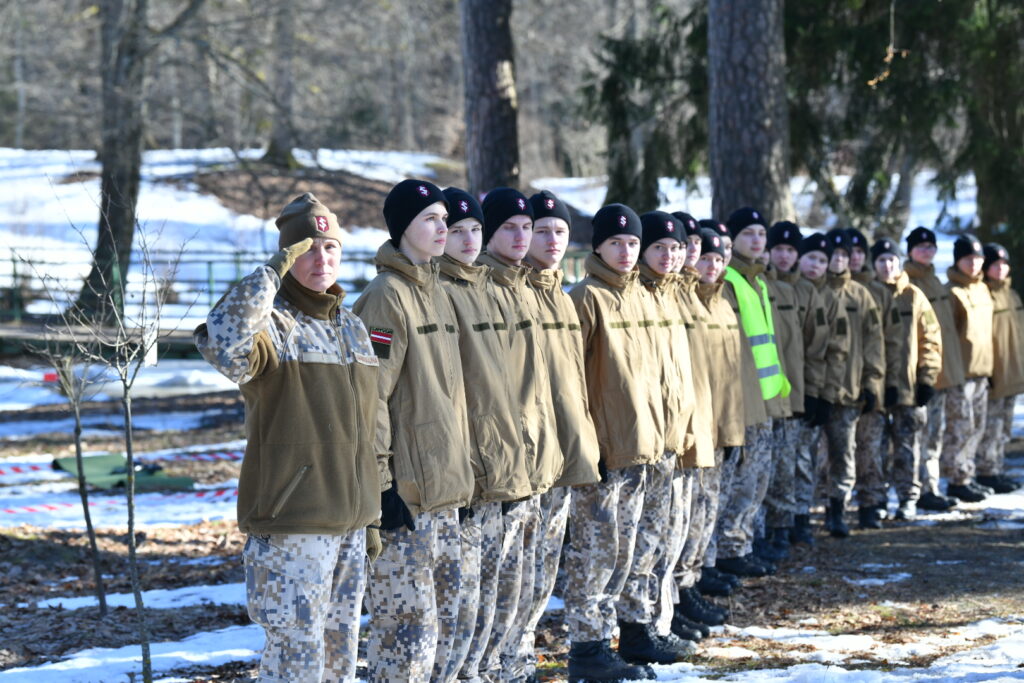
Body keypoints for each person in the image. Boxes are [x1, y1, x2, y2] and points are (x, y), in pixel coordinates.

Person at [194, 192, 380, 682]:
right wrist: (269, 275)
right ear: (287, 256)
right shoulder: (272, 326)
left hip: (351, 522)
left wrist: (373, 510)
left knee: (339, 655)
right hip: (292, 522)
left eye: (331, 248)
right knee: (295, 659)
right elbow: (224, 340)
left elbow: (369, 426)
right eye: (307, 249)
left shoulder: (353, 327)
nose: (322, 259)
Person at [353, 179, 474, 683]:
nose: (443, 227)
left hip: (444, 489)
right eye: (430, 219)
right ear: (403, 227)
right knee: (405, 632)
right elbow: (370, 399)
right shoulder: (386, 298)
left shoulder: (437, 292)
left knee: (445, 626)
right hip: (406, 493)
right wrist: (382, 486)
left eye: (445, 219)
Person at [436, 186, 532, 683]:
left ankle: (487, 668)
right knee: (462, 594)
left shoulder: (490, 289)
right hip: (468, 470)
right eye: (458, 230)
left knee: (497, 586)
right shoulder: (439, 292)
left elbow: (510, 388)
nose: (470, 239)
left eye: (475, 229)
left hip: (506, 461)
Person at [565, 203, 663, 681]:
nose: (625, 252)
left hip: (640, 448)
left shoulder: (641, 297)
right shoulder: (585, 298)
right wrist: (589, 447)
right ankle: (586, 647)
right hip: (605, 451)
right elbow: (575, 381)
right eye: (615, 243)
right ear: (598, 246)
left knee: (623, 552)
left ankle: (609, 641)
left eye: (632, 244)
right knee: (594, 552)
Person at [474, 187, 562, 682]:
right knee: (495, 578)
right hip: (498, 458)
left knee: (526, 575)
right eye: (510, 226)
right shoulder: (482, 287)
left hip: (537, 453)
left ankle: (513, 658)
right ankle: (490, 665)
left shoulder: (528, 288)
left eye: (525, 227)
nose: (522, 235)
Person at [515, 189, 602, 680]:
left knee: (543, 570)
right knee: (516, 573)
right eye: (540, 230)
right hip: (523, 457)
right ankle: (510, 659)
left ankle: (522, 655)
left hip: (562, 453)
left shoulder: (563, 299)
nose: (549, 240)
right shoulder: (514, 293)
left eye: (559, 232)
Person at [622, 210, 699, 664]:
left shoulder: (666, 297)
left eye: (676, 248)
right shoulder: (622, 295)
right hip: (630, 442)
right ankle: (624, 632)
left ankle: (649, 623)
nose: (668, 256)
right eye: (658, 248)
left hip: (665, 439)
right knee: (625, 549)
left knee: (656, 542)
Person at [714, 207, 787, 576]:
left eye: (761, 234)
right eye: (748, 235)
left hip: (766, 397)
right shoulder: (729, 280)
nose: (757, 240)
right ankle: (729, 550)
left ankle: (742, 543)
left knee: (757, 481)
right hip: (743, 402)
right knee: (740, 482)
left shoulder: (757, 281)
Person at [855, 238, 942, 524]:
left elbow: (930, 339)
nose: (887, 265)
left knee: (907, 446)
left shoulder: (914, 296)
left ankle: (907, 498)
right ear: (873, 263)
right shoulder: (864, 295)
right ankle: (872, 501)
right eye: (881, 260)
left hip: (908, 388)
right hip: (874, 390)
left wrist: (927, 378)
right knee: (871, 447)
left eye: (891, 259)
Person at [764, 221, 829, 547]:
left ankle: (793, 521)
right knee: (769, 468)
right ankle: (769, 527)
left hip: (798, 395)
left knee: (797, 463)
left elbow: (818, 349)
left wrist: (817, 393)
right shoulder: (760, 286)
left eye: (791, 250)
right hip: (764, 395)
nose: (785, 256)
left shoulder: (808, 292)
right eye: (779, 249)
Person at [692, 228, 746, 597]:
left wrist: (733, 428)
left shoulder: (723, 302)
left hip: (722, 419)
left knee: (710, 503)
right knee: (693, 509)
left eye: (717, 259)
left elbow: (730, 373)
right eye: (704, 258)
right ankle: (689, 582)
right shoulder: (689, 301)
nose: (712, 265)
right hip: (697, 424)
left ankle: (702, 570)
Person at [820, 227, 884, 537]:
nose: (838, 260)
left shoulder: (861, 295)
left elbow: (874, 344)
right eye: (832, 255)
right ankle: (803, 514)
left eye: (843, 255)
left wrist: (872, 384)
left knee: (844, 454)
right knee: (813, 456)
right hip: (817, 390)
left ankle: (838, 510)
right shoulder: (813, 290)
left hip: (849, 390)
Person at [903, 227, 963, 511]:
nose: (927, 251)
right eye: (920, 246)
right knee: (922, 436)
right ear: (910, 250)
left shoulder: (935, 280)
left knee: (935, 434)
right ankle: (922, 489)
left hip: (944, 371)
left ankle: (931, 485)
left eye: (931, 246)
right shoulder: (908, 283)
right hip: (923, 376)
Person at [795, 232, 848, 535]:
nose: (815, 265)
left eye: (821, 260)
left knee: (812, 457)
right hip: (790, 390)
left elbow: (836, 351)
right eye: (810, 257)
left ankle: (805, 516)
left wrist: (826, 395)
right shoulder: (787, 290)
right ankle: (789, 519)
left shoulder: (830, 299)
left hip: (817, 391)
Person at [942, 234, 996, 502]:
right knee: (960, 427)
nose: (974, 264)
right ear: (957, 260)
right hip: (961, 374)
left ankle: (968, 475)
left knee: (977, 427)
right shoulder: (951, 292)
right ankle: (956, 479)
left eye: (978, 258)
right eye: (968, 259)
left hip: (982, 372)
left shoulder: (983, 289)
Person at [978, 243, 1024, 493]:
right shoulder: (984, 295)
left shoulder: (1012, 295)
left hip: (1014, 373)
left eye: (1004, 264)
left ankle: (996, 468)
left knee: (1004, 427)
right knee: (990, 426)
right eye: (995, 264)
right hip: (995, 374)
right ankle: (986, 470)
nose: (1001, 269)